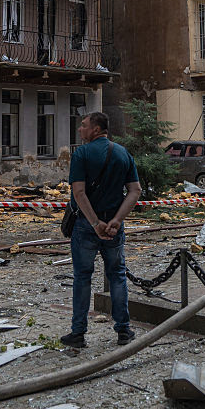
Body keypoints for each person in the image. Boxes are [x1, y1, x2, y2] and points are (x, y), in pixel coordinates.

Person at [61, 112, 142, 349]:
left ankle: (78, 333)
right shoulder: (122, 153)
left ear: (96, 129)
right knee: (117, 276)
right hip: (114, 228)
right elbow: (135, 190)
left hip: (87, 226)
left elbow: (79, 193)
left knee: (82, 277)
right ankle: (123, 331)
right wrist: (116, 220)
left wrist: (96, 224)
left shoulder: (82, 154)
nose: (80, 130)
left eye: (83, 126)